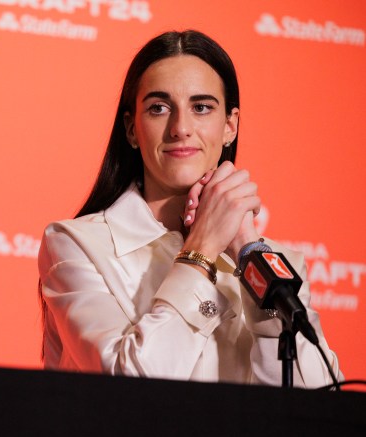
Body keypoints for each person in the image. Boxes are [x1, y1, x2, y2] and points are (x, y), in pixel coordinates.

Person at [37, 30, 341, 387]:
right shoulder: (75, 244)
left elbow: (318, 407)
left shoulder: (276, 264)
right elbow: (128, 388)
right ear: (132, 129)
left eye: (201, 107)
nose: (181, 128)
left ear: (230, 126)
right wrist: (201, 249)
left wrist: (247, 247)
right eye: (158, 108)